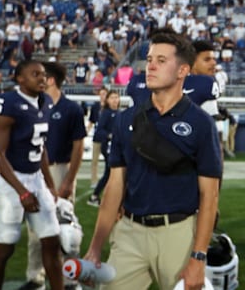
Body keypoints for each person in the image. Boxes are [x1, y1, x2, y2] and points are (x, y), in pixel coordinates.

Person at [83, 30, 222, 289]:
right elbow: (115, 187)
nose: (151, 66)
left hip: (179, 233)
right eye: (149, 60)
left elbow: (209, 195)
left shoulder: (201, 124)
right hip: (130, 232)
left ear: (182, 71)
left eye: (161, 60)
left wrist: (199, 256)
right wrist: (95, 248)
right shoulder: (126, 119)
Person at [0, 60, 63, 290]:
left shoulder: (46, 101)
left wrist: (49, 184)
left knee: (53, 242)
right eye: (35, 74)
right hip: (9, 180)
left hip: (36, 178)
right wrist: (21, 192)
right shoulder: (8, 103)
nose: (42, 78)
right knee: (5, 248)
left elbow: (40, 148)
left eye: (43, 74)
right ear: (20, 79)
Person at [23, 62, 87, 290]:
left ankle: (70, 279)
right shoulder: (33, 107)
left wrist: (69, 179)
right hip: (34, 170)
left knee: (66, 227)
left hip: (60, 168)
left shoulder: (72, 109)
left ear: (50, 80)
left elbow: (79, 147)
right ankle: (36, 277)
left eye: (39, 76)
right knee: (34, 228)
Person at [87, 90, 120, 207]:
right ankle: (94, 196)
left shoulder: (119, 113)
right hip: (108, 147)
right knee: (109, 172)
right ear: (107, 100)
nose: (115, 100)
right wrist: (109, 135)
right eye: (112, 98)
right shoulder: (106, 113)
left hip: (116, 147)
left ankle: (101, 196)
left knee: (112, 173)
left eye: (117, 97)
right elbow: (100, 129)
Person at [88, 85, 108, 187]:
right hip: (97, 136)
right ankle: (94, 181)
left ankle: (108, 180)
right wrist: (86, 131)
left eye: (104, 94)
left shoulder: (109, 107)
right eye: (101, 94)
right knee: (94, 160)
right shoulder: (95, 107)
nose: (102, 96)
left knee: (109, 161)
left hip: (107, 138)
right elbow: (91, 121)